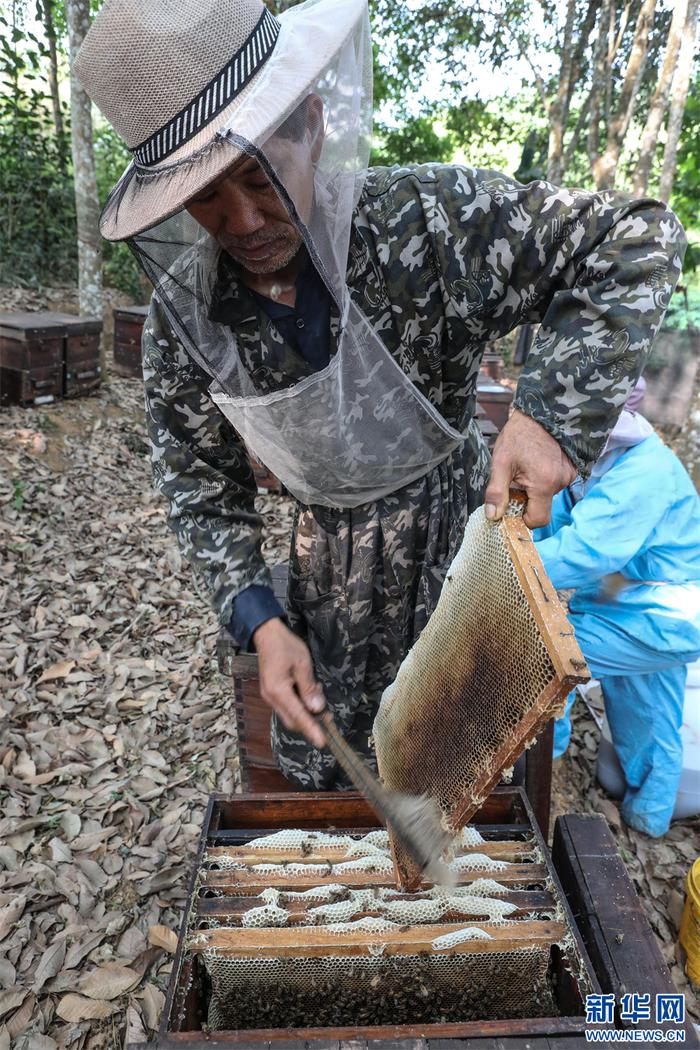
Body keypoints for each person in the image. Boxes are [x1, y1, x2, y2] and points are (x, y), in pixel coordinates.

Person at [74, 0, 686, 790]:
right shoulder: (184, 320)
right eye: (205, 199)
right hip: (323, 585)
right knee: (336, 791)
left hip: (464, 564)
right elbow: (197, 484)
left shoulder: (431, 224)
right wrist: (260, 621)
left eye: (260, 177)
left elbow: (634, 237)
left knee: (466, 770)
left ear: (312, 125)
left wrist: (550, 420)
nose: (245, 221)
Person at [534, 379, 700, 837]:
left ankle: (544, 765)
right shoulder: (598, 461)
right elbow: (556, 524)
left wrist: (493, 565)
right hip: (636, 603)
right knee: (649, 713)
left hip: (667, 613)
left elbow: (585, 552)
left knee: (549, 656)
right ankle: (647, 819)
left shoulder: (643, 470)